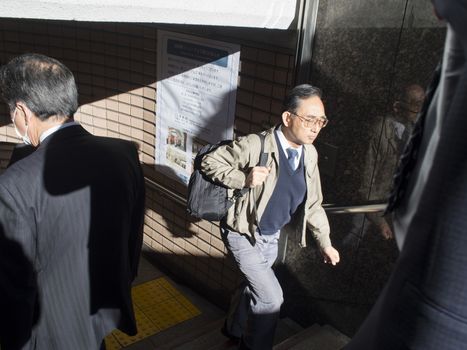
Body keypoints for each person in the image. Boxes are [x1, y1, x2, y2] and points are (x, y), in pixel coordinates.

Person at [0, 53, 145, 350]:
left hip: (51, 332)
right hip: (102, 313)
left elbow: (15, 287)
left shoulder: (14, 185)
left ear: (22, 111)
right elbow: (133, 237)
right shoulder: (124, 155)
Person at [344, 0, 467, 348]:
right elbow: (367, 170)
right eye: (413, 104)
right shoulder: (382, 128)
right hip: (372, 205)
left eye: (421, 101)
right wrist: (376, 214)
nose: (419, 107)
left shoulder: (430, 124)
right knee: (351, 241)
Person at [201, 84, 340, 350]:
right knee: (270, 299)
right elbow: (210, 162)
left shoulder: (309, 154)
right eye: (309, 119)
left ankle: (233, 329)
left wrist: (325, 242)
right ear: (288, 118)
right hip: (241, 233)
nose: (315, 127)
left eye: (320, 121)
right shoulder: (256, 145)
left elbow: (313, 203)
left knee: (250, 288)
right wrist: (243, 178)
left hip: (270, 237)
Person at [359, 84, 425, 240]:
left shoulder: (418, 129)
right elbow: (367, 179)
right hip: (373, 206)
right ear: (398, 107)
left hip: (398, 205)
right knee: (356, 236)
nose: (419, 112)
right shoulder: (380, 131)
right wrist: (378, 220)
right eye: (414, 107)